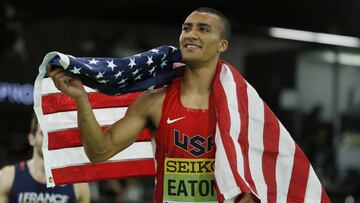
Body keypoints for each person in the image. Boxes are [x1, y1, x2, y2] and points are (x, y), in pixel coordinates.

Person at [47, 7, 257, 203]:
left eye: (203, 29)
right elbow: (99, 152)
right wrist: (81, 99)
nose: (191, 34)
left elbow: (263, 175)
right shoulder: (155, 102)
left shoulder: (241, 107)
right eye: (186, 28)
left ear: (222, 44)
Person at [0, 114, 91, 203]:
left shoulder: (79, 185)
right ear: (31, 139)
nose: (49, 139)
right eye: (43, 133)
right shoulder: (8, 175)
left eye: (53, 134)